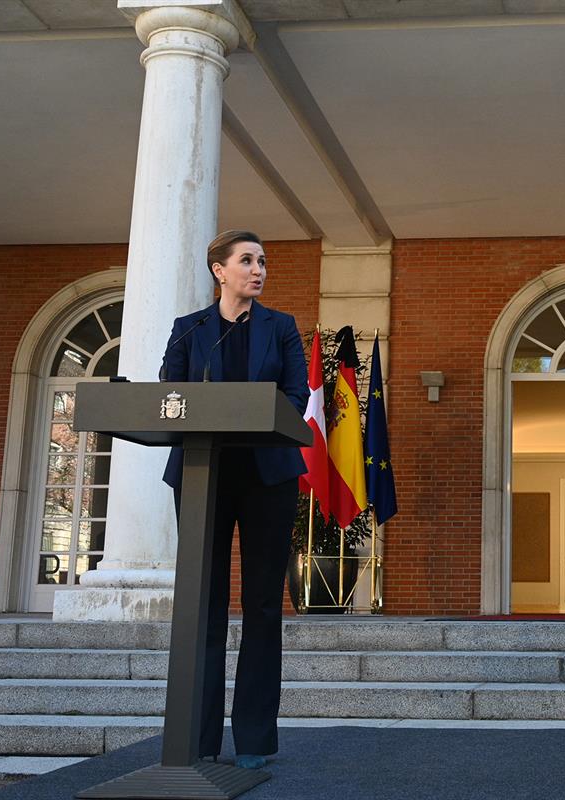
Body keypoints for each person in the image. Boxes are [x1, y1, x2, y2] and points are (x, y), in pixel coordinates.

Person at [159, 230, 309, 769]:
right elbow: (167, 394)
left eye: (262, 261)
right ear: (219, 271)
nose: (258, 269)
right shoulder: (191, 329)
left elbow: (295, 396)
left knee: (263, 605)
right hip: (204, 474)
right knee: (204, 604)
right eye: (247, 260)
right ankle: (197, 740)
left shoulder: (282, 328)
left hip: (267, 476)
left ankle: (252, 740)